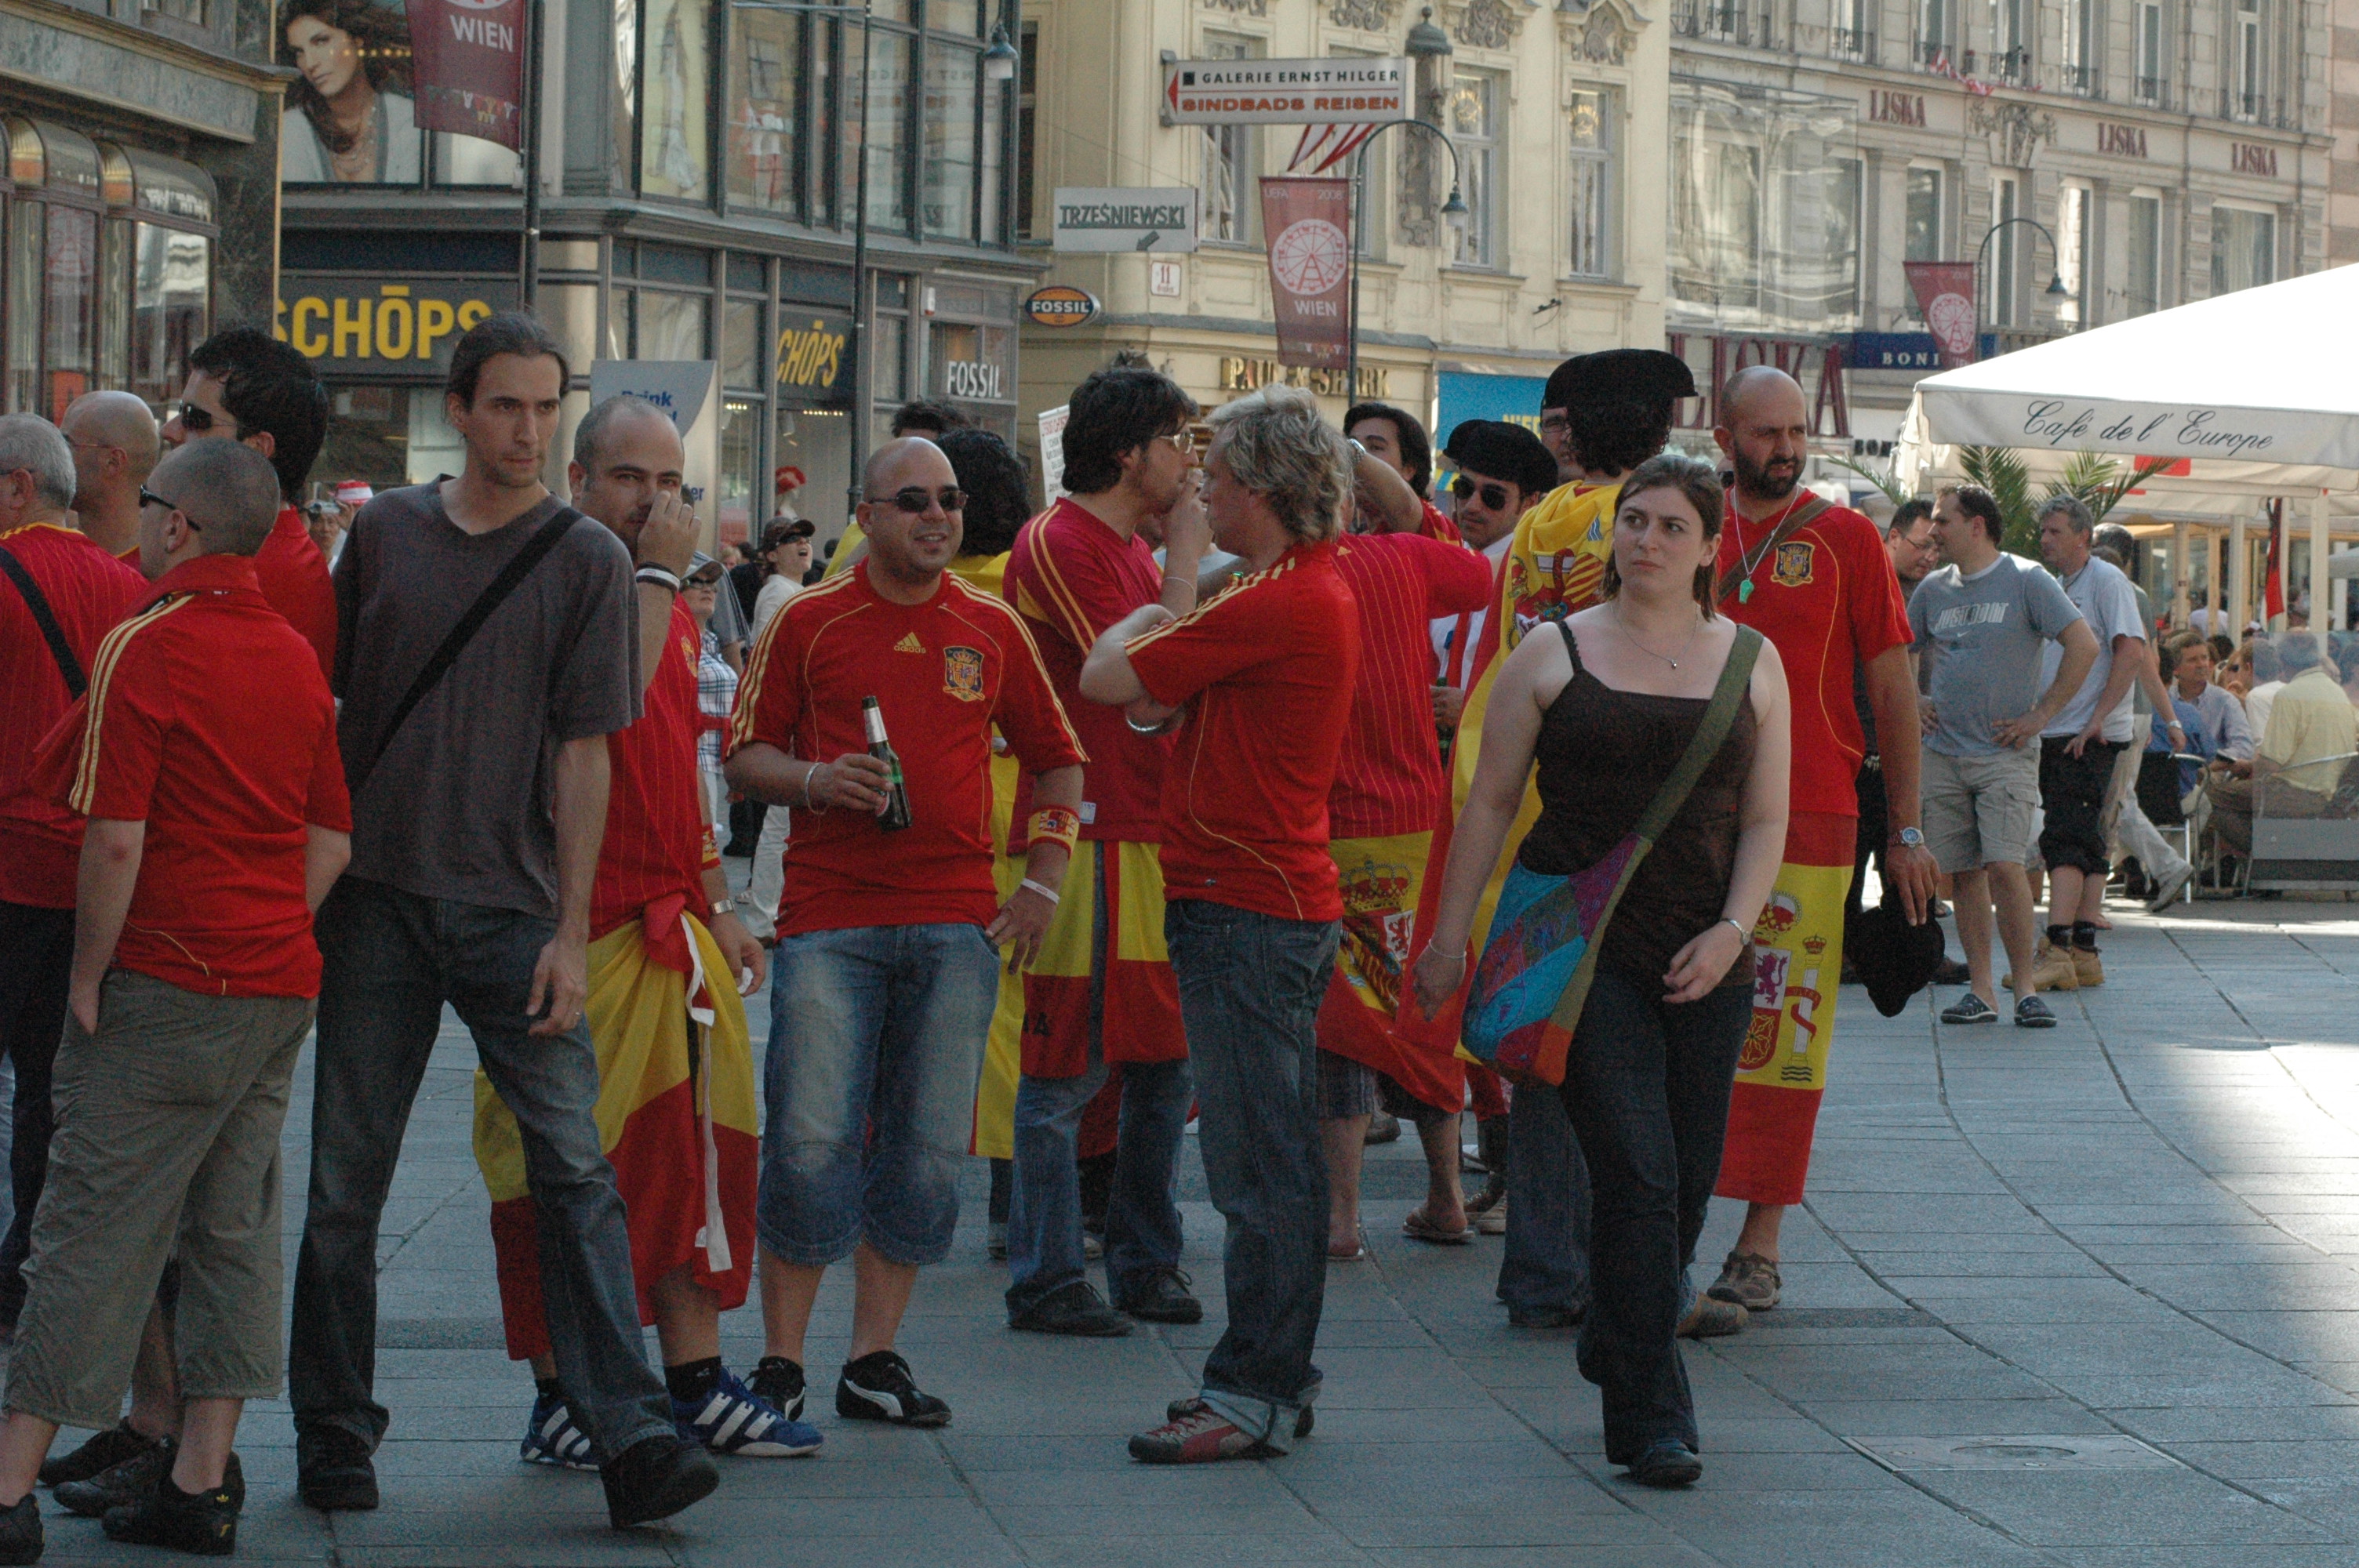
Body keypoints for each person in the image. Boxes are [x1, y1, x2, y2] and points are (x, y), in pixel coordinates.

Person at [291, 313, 718, 1529]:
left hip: (515, 912)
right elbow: (329, 705)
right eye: (506, 407)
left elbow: (587, 754)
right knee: (344, 1183)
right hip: (377, 901)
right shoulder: (386, 531)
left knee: (576, 1170)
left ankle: (631, 1435)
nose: (527, 430)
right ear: (460, 411)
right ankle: (334, 1432)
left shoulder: (583, 557)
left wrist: (571, 933)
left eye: (544, 407)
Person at [0, 439, 351, 1562]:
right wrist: (271, 922)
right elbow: (332, 835)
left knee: (88, 1228)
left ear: (175, 526)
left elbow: (115, 837)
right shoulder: (291, 652)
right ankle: (201, 1482)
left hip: (164, 973)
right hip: (272, 983)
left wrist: (89, 972)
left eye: (151, 500)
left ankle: (8, 1489)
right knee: (233, 1228)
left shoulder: (148, 643)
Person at [1414, 452, 1790, 1488]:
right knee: (1636, 1175)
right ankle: (1652, 1415)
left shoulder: (1751, 659)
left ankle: (1618, 1330)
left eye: (1671, 527)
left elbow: (1766, 818)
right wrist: (1446, 940)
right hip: (1581, 955)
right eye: (1634, 521)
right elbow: (1489, 803)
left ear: (1709, 548)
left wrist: (1733, 930)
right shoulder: (1551, 650)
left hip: (1706, 952)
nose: (1646, 541)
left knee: (1687, 1183)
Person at [465, 396, 804, 1472]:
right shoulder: (552, 579)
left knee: (691, 1167)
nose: (655, 504)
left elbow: (676, 773)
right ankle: (559, 1395)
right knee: (551, 1178)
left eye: (672, 484)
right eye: (628, 479)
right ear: (578, 482)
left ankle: (696, 1383)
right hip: (565, 937)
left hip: (668, 929)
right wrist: (657, 575)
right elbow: (607, 705)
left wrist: (714, 901)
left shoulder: (676, 605)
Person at [725, 437, 1085, 1432]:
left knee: (927, 1151)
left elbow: (1061, 760)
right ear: (866, 515)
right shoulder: (806, 621)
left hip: (955, 923)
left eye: (950, 500)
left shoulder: (991, 626)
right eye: (914, 500)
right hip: (829, 922)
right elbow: (744, 755)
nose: (937, 517)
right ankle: (780, 1361)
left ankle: (872, 1357)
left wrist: (1043, 883)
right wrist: (815, 780)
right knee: (808, 1140)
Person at [1079, 383, 1361, 1465]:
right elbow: (1157, 705)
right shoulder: (1290, 586)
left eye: (1217, 476)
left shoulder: (1274, 598)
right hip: (1256, 897)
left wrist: (1171, 580)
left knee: (1258, 1166)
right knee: (1268, 1156)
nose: (1199, 491)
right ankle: (1272, 1375)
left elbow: (1108, 676)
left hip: (1247, 903)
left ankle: (1254, 1388)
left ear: (1261, 489)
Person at [1707, 366, 1935, 1316]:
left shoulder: (1844, 539)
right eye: (1766, 432)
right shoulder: (1685, 525)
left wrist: (1906, 828)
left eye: (1797, 430)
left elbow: (1891, 689)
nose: (1786, 448)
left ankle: (1757, 1242)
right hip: (1686, 816)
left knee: (1781, 1033)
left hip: (1812, 816)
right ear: (1723, 436)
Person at [997, 368, 1206, 1337]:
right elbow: (1144, 679)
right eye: (1175, 440)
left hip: (1145, 829)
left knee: (1161, 1066)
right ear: (1129, 452)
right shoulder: (1059, 541)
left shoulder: (1118, 544)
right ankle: (1045, 1273)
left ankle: (1144, 1261)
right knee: (1063, 1069)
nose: (1187, 461)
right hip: (1081, 836)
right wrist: (1185, 563)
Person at [0, 417, 146, 1356]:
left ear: (17, 487)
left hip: (9, 867)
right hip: (91, 878)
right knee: (52, 1092)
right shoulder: (130, 590)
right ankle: (30, 1270)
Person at [1315, 488, 1493, 1258]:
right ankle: (1446, 1195)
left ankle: (1341, 1217)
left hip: (1329, 824)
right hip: (1417, 822)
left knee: (1345, 1022)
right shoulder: (1405, 557)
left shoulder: (1278, 575)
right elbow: (1476, 574)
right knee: (1426, 1006)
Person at [1910, 485, 2097, 1029]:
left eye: (1943, 520)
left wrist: (2042, 715)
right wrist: (1916, 699)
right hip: (1944, 753)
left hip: (2004, 752)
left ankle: (2026, 989)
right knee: (1964, 872)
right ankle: (1982, 990)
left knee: (2006, 866)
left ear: (1977, 526)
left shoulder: (2027, 579)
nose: (1933, 531)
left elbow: (2084, 645)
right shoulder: (1933, 589)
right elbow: (1901, 647)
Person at [2023, 497, 2181, 993]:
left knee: (2066, 838)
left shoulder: (2106, 581)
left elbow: (2131, 651)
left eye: (2055, 531)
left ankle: (2056, 947)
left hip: (2085, 732)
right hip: (2064, 728)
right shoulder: (2062, 583)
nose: (2045, 539)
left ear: (2083, 537)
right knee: (2088, 839)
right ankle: (2084, 951)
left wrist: (2096, 718)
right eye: (2043, 531)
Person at [162, 327, 337, 680]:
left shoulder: (250, 569)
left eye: (194, 418)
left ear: (257, 449)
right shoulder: (260, 551)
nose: (171, 431)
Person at [1845, 498, 1938, 945]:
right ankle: (1845, 950)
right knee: (1848, 865)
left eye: (1937, 548)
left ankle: (1915, 949)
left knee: (1904, 866)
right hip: (1853, 747)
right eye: (1922, 545)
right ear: (1894, 538)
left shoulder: (1925, 593)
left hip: (1897, 748)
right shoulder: (1862, 580)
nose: (1930, 557)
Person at [731, 515, 818, 916]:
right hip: (790, 715)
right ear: (770, 555)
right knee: (781, 818)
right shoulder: (777, 592)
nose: (803, 544)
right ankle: (765, 911)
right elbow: (768, 658)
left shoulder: (793, 591)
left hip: (797, 713)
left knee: (784, 818)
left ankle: (769, 906)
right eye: (791, 539)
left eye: (805, 538)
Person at [2209, 633, 2358, 856]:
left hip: (2295, 793)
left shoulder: (2290, 695)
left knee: (2213, 796)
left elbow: (2271, 764)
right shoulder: (2337, 693)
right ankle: (2274, 852)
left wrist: (2245, 768)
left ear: (2283, 662)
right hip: (2334, 794)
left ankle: (2268, 854)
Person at [280, 0, 421, 183]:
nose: (310, 63)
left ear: (356, 39)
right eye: (299, 52)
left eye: (321, 41)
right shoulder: (292, 127)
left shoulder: (406, 118)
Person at [60, 391, 160, 563]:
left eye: (66, 444)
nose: (56, 454)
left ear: (113, 462)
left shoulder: (157, 567)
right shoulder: (50, 556)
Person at [687, 556, 740, 852]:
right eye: (696, 582)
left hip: (717, 758)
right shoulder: (674, 637)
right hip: (694, 757)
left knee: (707, 844)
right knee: (701, 845)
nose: (707, 589)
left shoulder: (709, 642)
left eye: (712, 584)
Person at [1345, 401, 1457, 539]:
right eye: (1353, 444)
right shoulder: (1353, 532)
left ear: (1409, 469)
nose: (1362, 462)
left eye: (1375, 447)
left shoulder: (1429, 525)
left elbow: (1406, 509)